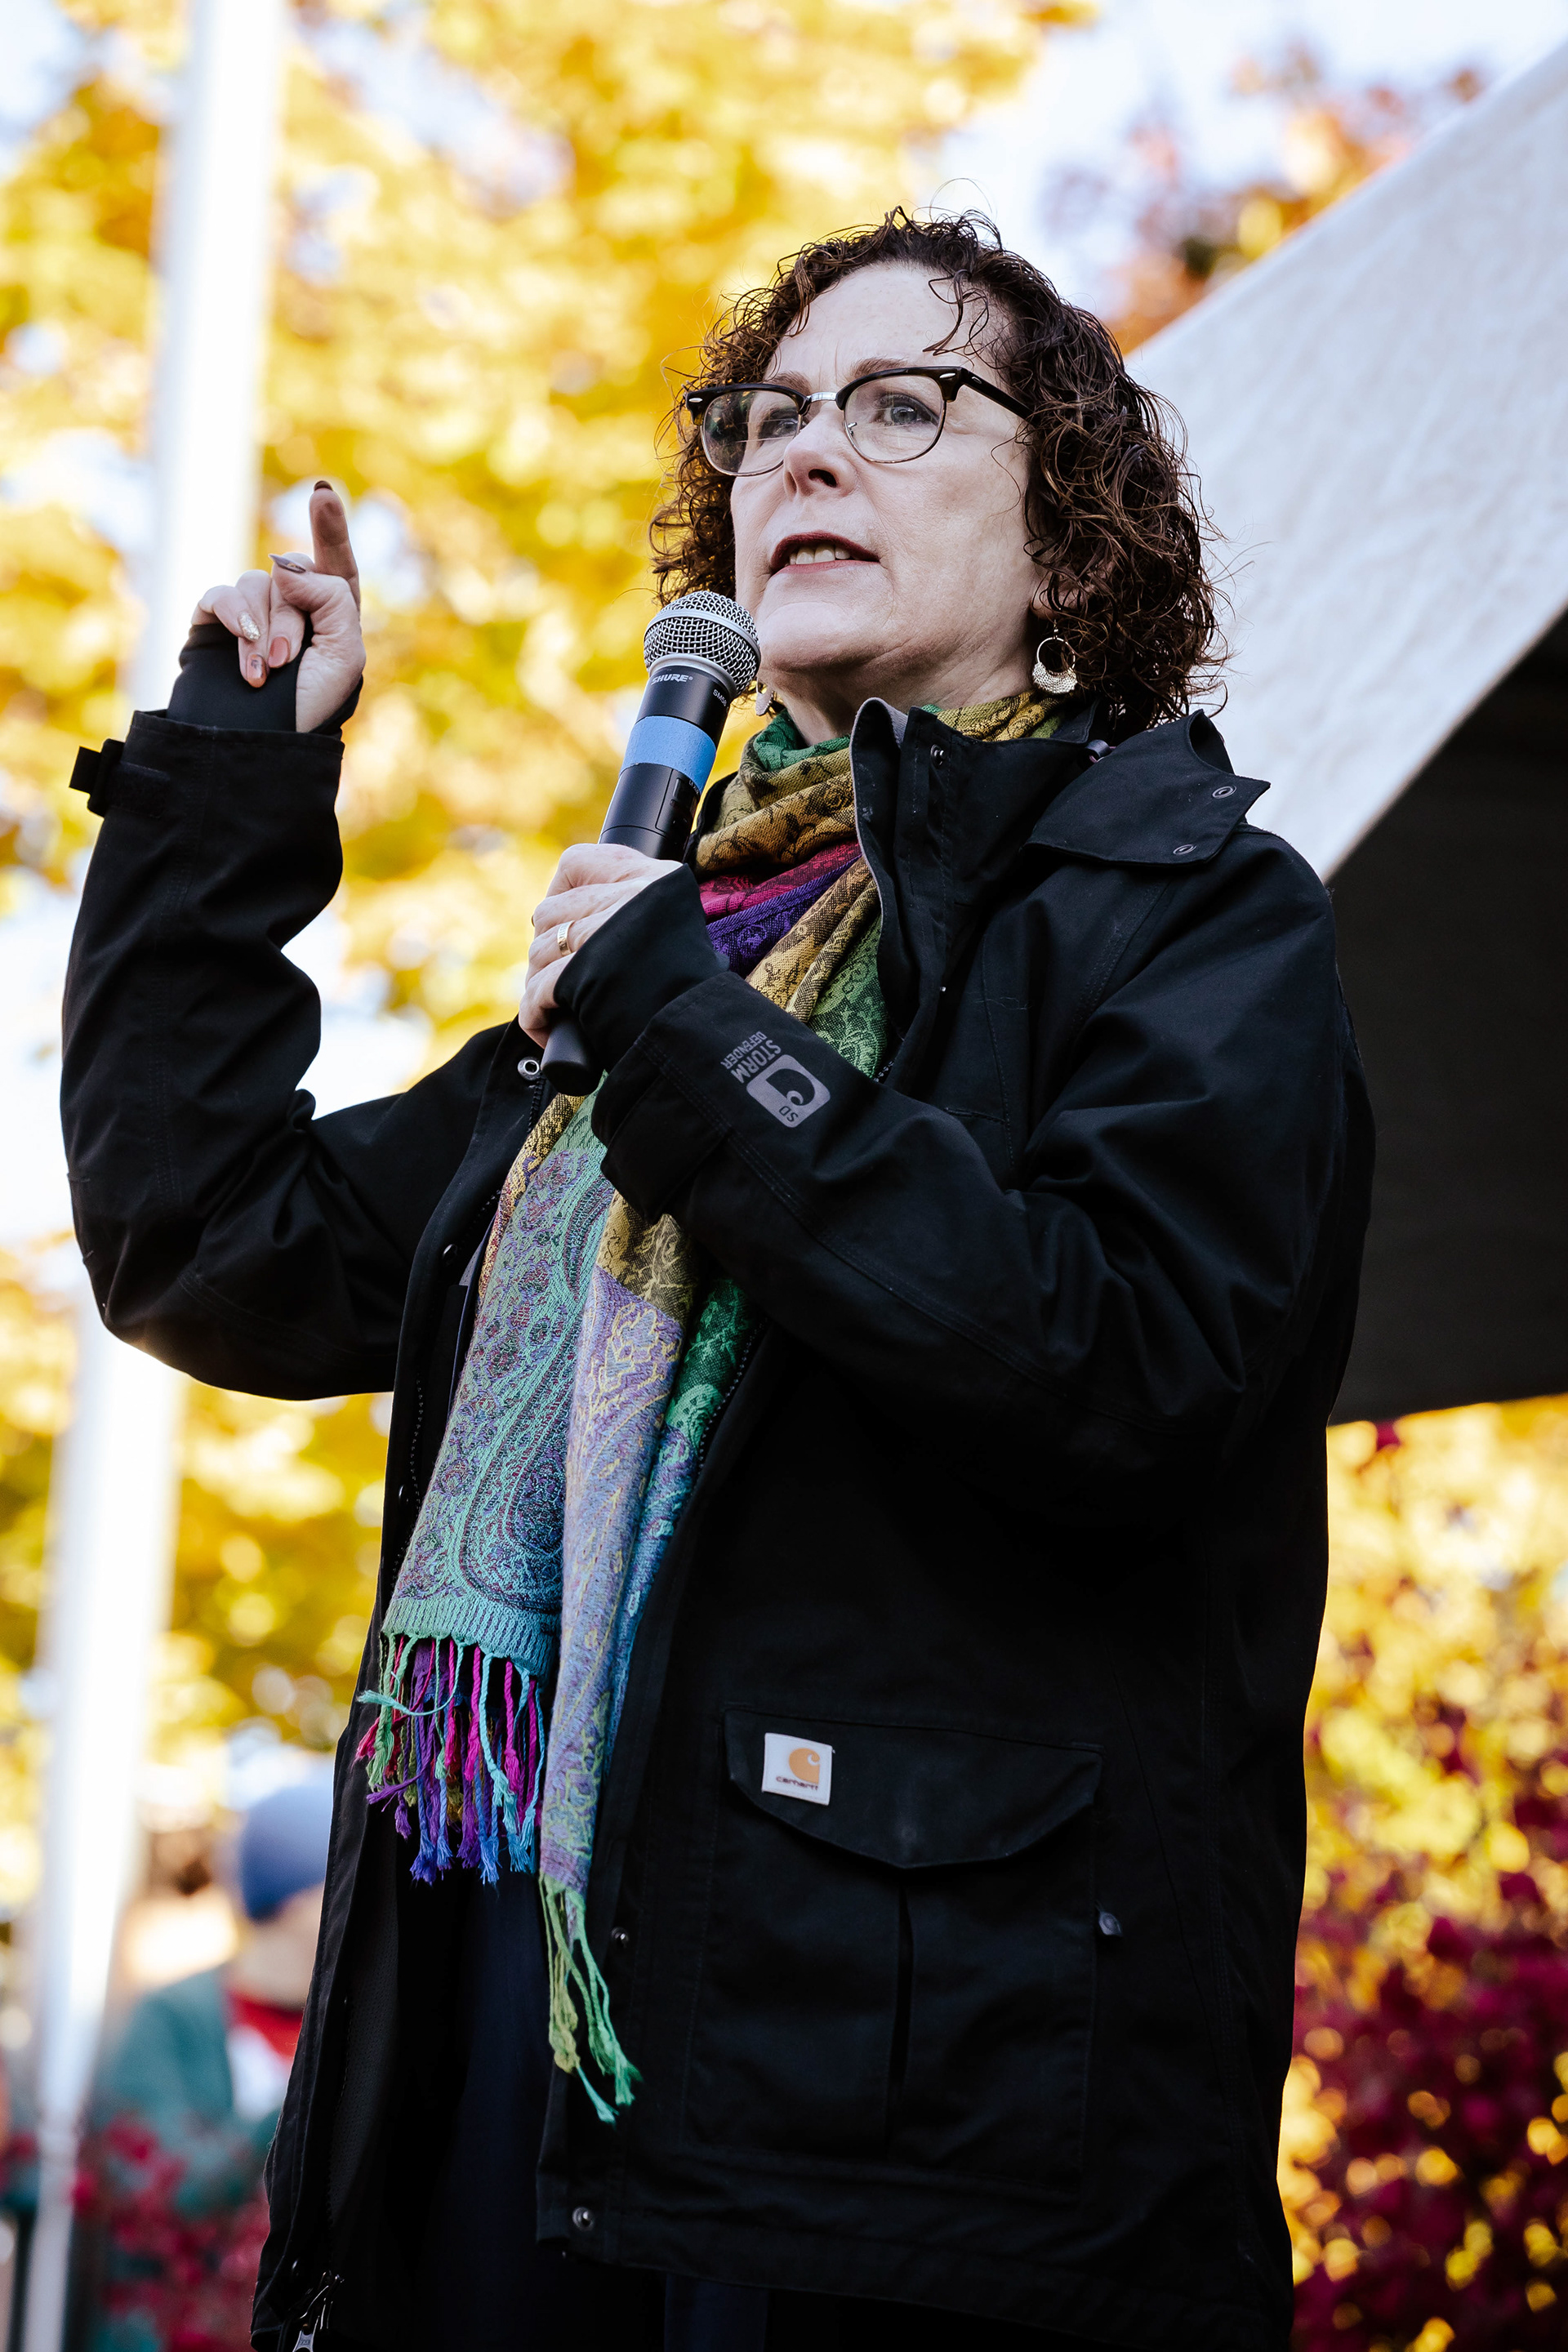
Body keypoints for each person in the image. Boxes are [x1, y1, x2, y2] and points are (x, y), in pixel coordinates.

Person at [60, 210, 1374, 2350]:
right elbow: (211, 1246)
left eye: (902, 405)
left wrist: (680, 1029)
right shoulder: (670, 975)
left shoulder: (1185, 917)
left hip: (910, 2141)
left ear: (1072, 552)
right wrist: (228, 779)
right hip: (507, 2054)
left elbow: (1127, 1372)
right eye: (767, 421)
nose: (805, 454)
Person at [78, 1780, 334, 2352]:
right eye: (342, 1881)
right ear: (296, 1899)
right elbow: (165, 2194)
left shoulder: (355, 2031)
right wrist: (303, 2094)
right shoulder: (172, 2019)